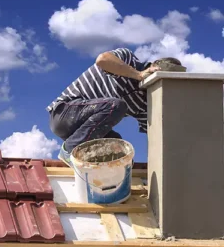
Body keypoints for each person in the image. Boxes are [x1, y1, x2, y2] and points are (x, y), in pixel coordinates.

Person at [46, 47, 181, 166]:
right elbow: (103, 60)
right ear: (153, 67)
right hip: (64, 113)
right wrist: (138, 75)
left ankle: (100, 183)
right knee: (116, 106)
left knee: (122, 156)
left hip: (84, 131)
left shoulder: (146, 104)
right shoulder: (128, 59)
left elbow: (155, 138)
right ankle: (70, 150)